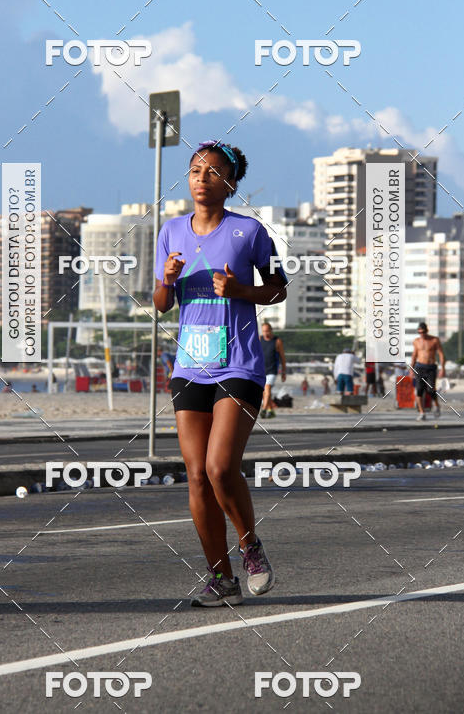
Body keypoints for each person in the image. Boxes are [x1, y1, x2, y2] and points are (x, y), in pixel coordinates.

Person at [153, 140, 287, 607]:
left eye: (213, 172)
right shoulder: (170, 232)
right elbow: (161, 303)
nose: (202, 179)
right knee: (194, 476)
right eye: (195, 170)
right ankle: (221, 577)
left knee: (219, 467)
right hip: (191, 364)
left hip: (240, 363)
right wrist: (167, 279)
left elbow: (278, 291)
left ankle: (249, 546)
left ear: (230, 183)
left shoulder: (249, 232)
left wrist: (239, 289)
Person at [410, 322, 445, 421]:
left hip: (431, 367)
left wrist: (443, 368)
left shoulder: (434, 340)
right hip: (419, 367)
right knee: (419, 390)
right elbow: (414, 355)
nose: (422, 334)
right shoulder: (416, 341)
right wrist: (411, 369)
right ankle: (422, 413)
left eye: (424, 332)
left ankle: (437, 405)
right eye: (420, 332)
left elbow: (441, 354)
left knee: (430, 389)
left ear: (427, 331)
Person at [259, 321, 286, 419]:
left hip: (272, 370)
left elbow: (282, 357)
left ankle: (264, 409)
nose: (266, 333)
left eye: (267, 331)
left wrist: (284, 372)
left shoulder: (277, 341)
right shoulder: (259, 339)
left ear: (271, 330)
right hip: (261, 370)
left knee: (267, 390)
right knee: (264, 392)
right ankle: (271, 411)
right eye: (263, 331)